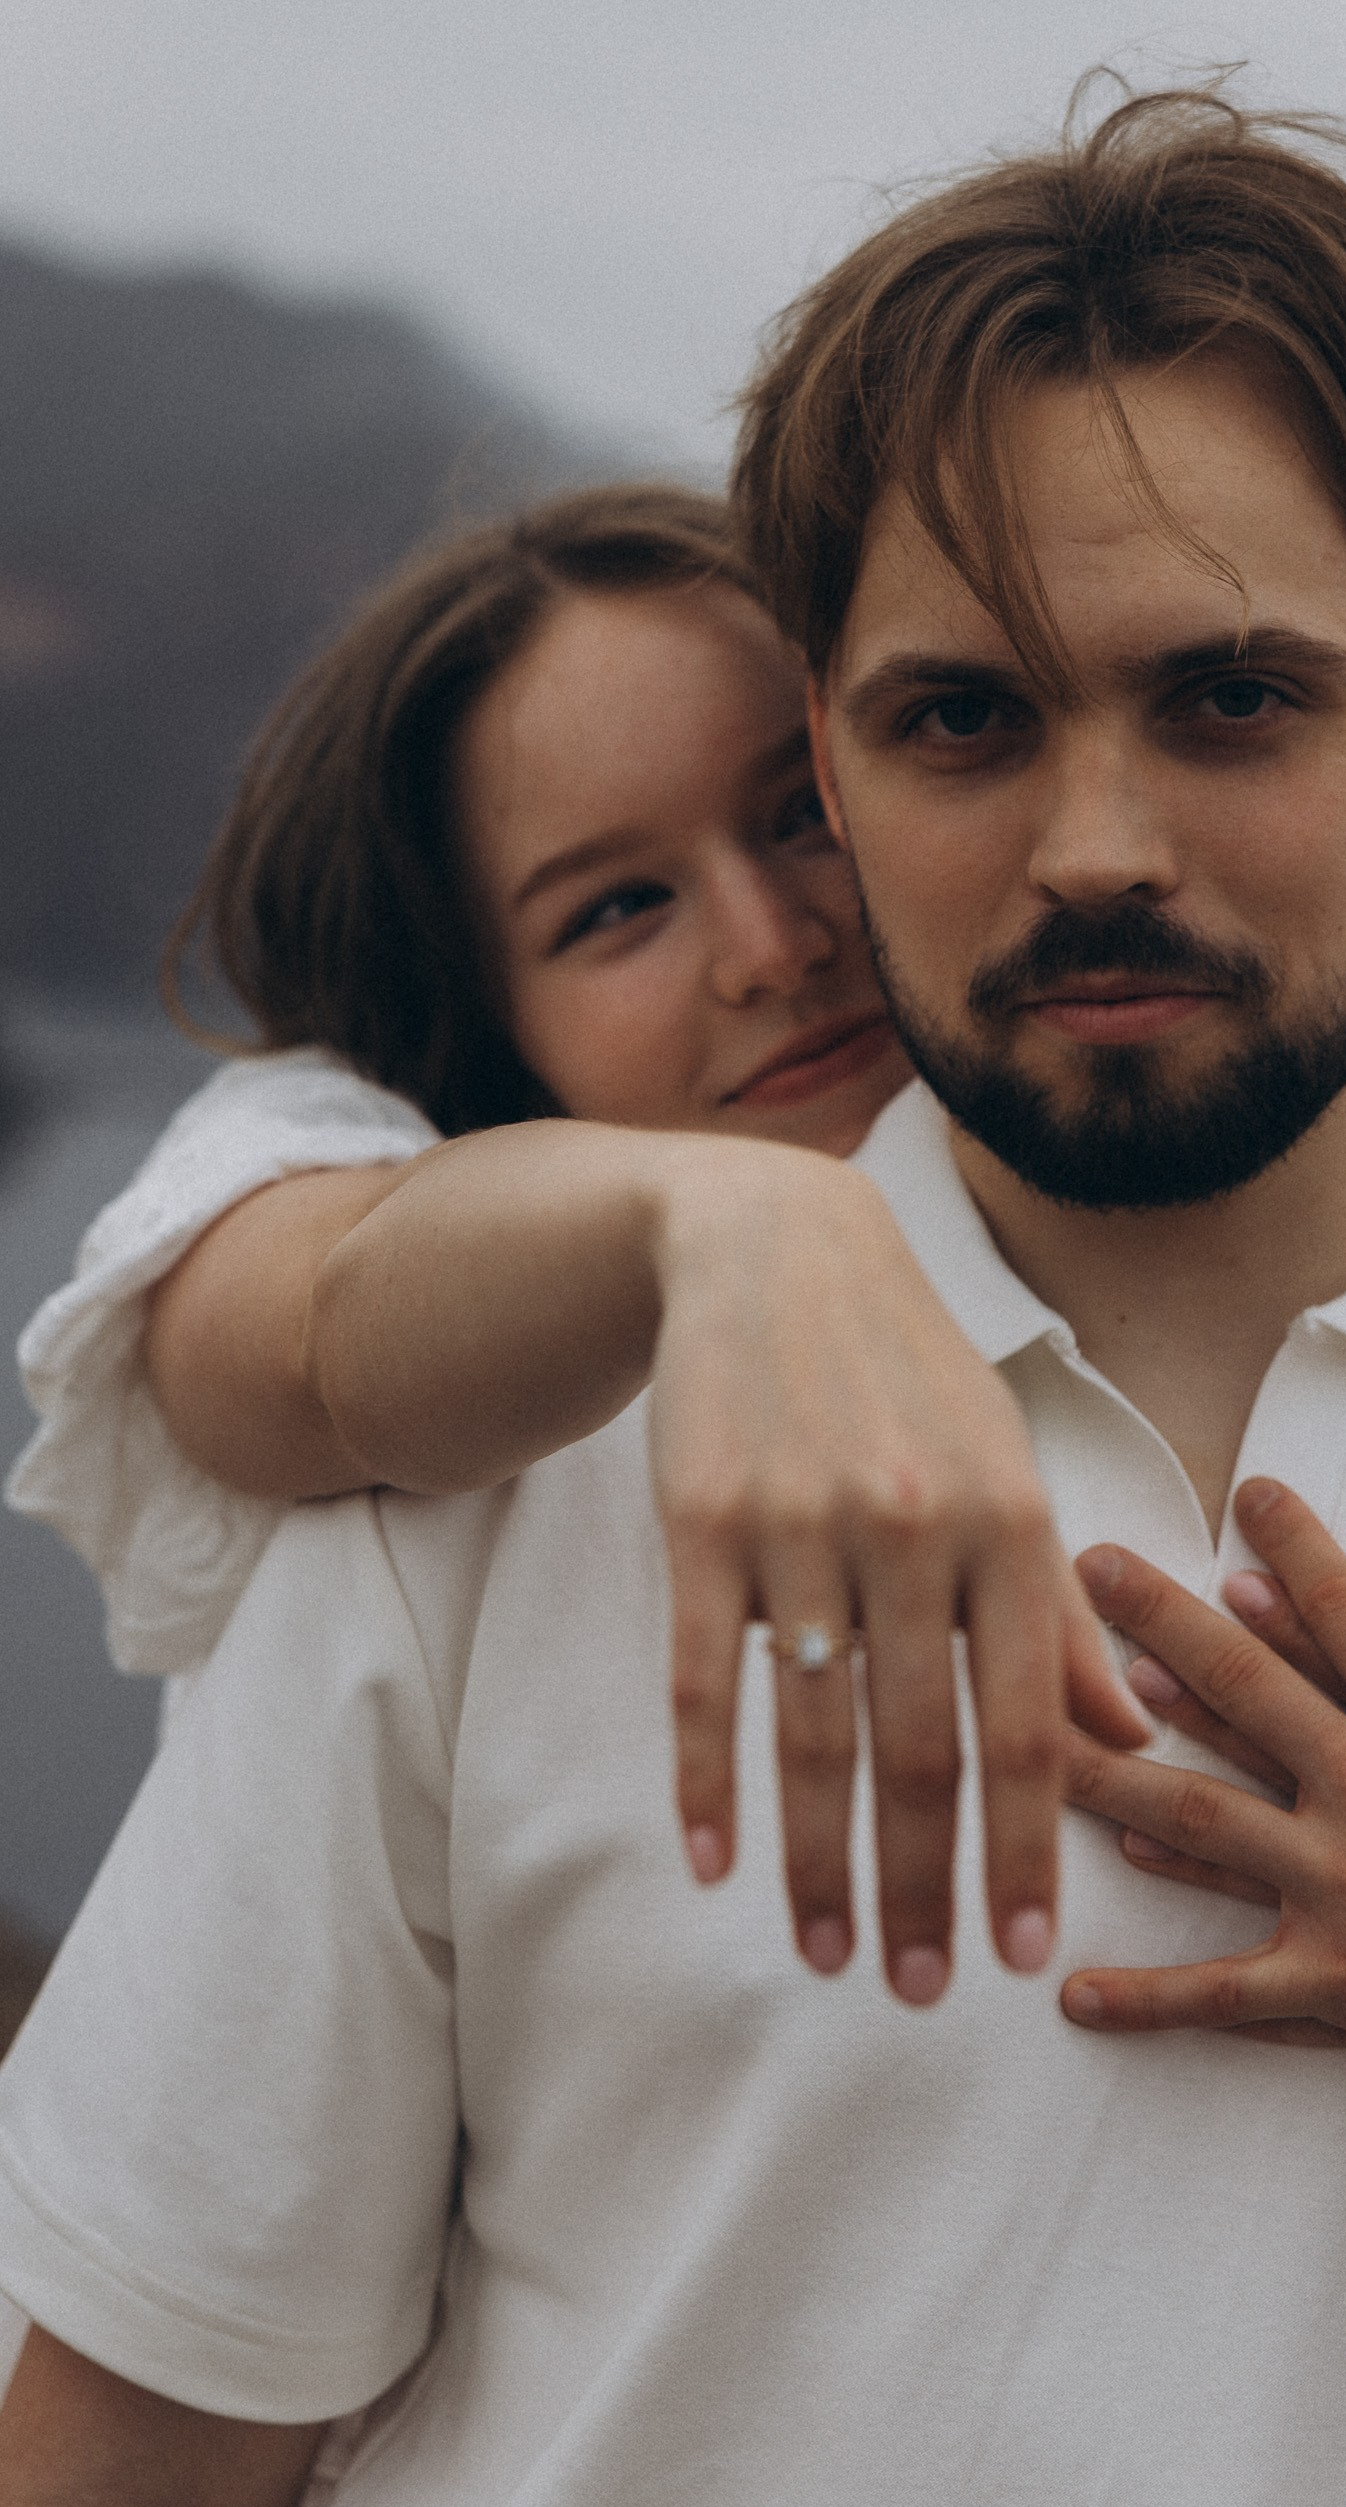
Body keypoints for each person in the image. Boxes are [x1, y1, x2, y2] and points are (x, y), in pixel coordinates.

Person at [4, 90, 1346, 2507]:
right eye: (961, 718)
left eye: (1228, 695)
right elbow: (139, 2446)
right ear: (840, 765)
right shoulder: (504, 1438)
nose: (1092, 847)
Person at [9, 482, 1145, 1997]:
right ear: (495, 1024)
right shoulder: (452, 1375)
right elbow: (273, 1339)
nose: (769, 947)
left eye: (804, 813)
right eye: (617, 908)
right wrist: (739, 1217)